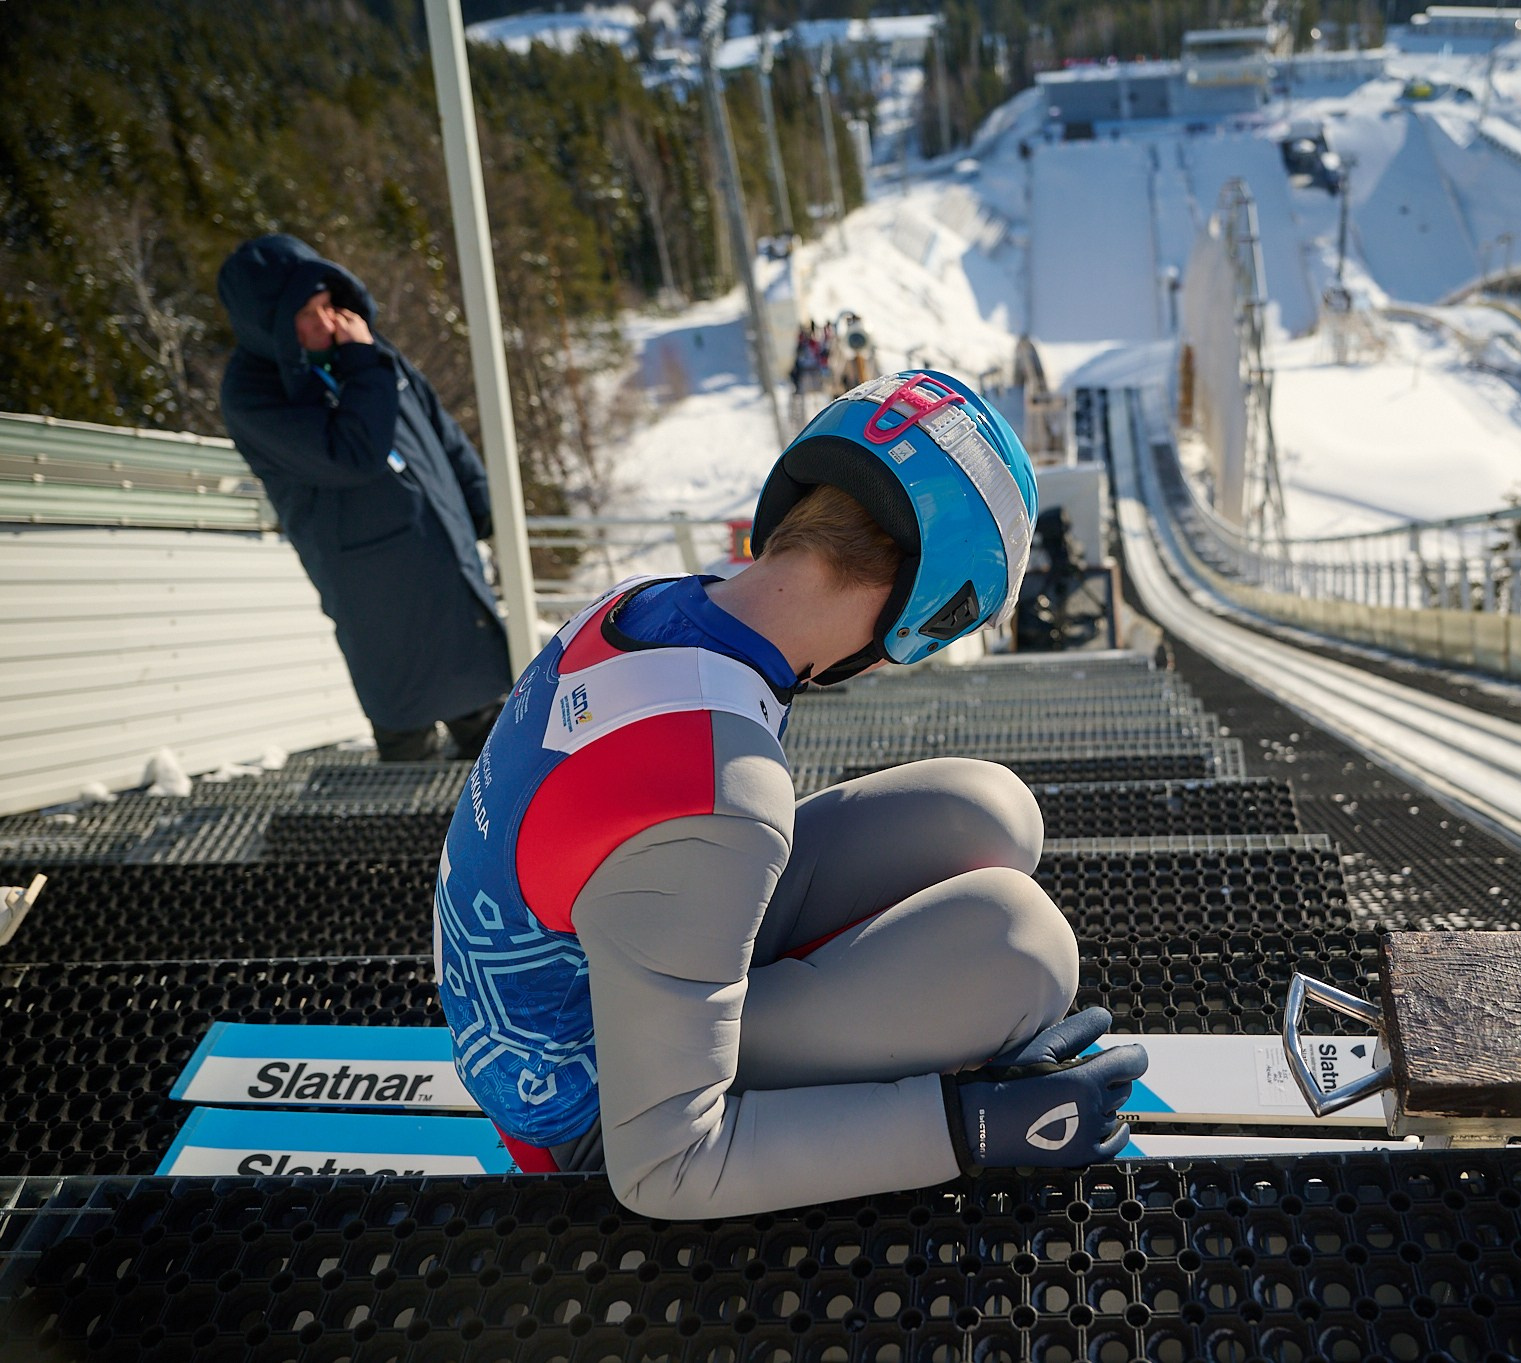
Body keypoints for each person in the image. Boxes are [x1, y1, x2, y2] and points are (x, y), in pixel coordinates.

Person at [436, 371, 1147, 1218]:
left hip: (595, 960)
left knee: (993, 812)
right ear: (932, 606)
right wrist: (972, 1126)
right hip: (591, 1105)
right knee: (1025, 953)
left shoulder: (651, 605)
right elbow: (665, 1168)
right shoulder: (722, 792)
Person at [216, 235, 512, 762]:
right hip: (373, 587)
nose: (326, 322)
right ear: (268, 323)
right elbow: (354, 453)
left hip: (444, 559)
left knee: (490, 731)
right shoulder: (254, 393)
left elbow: (438, 427)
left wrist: (480, 504)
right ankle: (411, 807)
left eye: (328, 304)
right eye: (304, 314)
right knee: (406, 734)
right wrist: (360, 364)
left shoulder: (369, 352)